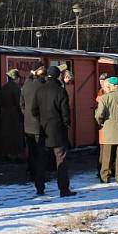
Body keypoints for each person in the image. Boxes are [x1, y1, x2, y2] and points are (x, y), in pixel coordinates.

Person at [32, 66, 77, 197]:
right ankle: (64, 189)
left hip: (43, 130)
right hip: (58, 131)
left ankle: (39, 188)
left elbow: (33, 110)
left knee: (41, 161)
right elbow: (65, 112)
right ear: (58, 76)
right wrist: (66, 124)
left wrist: (42, 120)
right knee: (61, 160)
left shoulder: (39, 90)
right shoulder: (60, 91)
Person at [95, 77, 118, 183]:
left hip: (108, 130)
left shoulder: (104, 98)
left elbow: (99, 114)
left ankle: (105, 177)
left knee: (107, 157)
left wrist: (101, 122)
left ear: (111, 85)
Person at [21, 66, 46, 194]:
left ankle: (31, 173)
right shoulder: (42, 87)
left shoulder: (26, 86)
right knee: (40, 154)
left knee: (31, 152)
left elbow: (22, 105)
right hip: (39, 126)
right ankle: (39, 179)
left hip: (28, 125)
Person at [0, 69, 24, 161]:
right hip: (15, 115)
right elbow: (19, 104)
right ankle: (16, 155)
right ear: (16, 78)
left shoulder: (3, 88)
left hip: (5, 114)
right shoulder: (16, 88)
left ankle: (6, 154)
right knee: (16, 136)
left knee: (6, 135)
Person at [95, 73, 110, 178]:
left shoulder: (103, 94)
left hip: (105, 124)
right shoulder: (100, 93)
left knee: (105, 149)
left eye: (103, 80)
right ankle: (101, 169)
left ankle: (105, 169)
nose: (101, 82)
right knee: (103, 149)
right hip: (103, 124)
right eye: (100, 81)